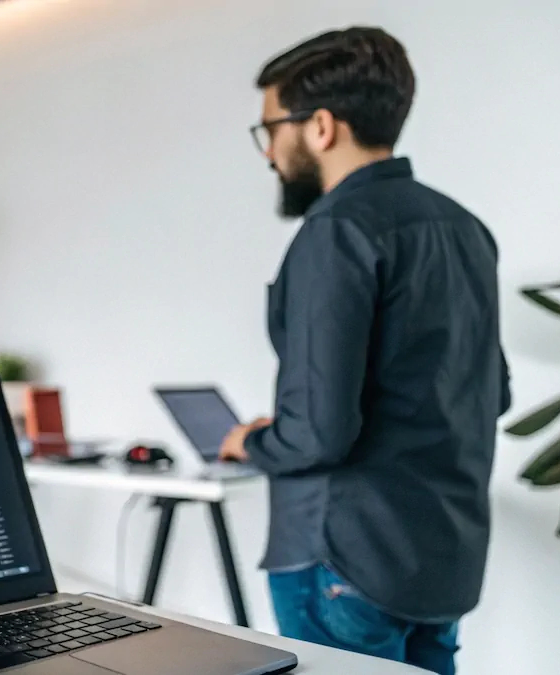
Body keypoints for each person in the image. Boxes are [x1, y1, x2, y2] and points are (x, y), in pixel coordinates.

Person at [218, 26, 511, 675]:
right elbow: (493, 392)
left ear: (320, 126)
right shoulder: (465, 229)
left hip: (344, 559)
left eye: (271, 128)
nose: (268, 152)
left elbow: (320, 433)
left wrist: (254, 441)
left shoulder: (335, 231)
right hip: (443, 559)